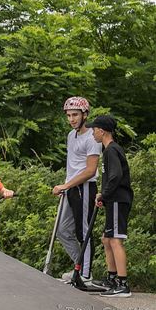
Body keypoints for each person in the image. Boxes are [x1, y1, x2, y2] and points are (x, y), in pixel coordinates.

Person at [52, 97, 101, 282]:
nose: (71, 119)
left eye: (75, 115)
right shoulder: (70, 136)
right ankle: (78, 268)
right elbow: (72, 165)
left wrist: (66, 185)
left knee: (84, 231)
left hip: (85, 187)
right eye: (69, 115)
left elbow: (90, 170)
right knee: (62, 231)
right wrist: (66, 186)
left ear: (85, 115)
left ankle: (85, 275)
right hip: (70, 188)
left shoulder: (92, 137)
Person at [87, 115, 134, 297]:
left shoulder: (111, 150)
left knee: (115, 240)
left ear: (102, 131)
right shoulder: (109, 150)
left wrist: (103, 194)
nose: (92, 133)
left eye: (94, 130)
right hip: (112, 200)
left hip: (117, 199)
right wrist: (104, 197)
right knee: (107, 239)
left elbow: (115, 176)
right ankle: (112, 278)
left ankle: (122, 284)